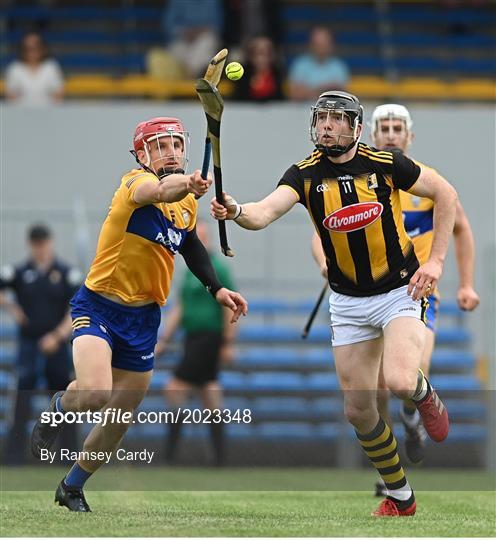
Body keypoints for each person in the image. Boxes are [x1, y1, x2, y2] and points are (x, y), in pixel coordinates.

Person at [211, 91, 458, 517]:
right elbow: (262, 213)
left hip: (399, 291)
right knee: (358, 409)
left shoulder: (385, 164)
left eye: (336, 119)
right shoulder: (303, 175)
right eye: (321, 118)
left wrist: (435, 261)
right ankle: (400, 497)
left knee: (399, 381)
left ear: (356, 128)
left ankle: (425, 396)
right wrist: (233, 209)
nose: (326, 126)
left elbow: (446, 194)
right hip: (348, 303)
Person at [29, 116, 248, 512]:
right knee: (95, 394)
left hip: (144, 319)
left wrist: (217, 288)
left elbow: (191, 248)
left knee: (119, 417)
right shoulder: (134, 185)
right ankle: (61, 406)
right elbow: (160, 189)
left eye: (176, 145)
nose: (171, 152)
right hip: (99, 306)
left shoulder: (185, 204)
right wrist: (189, 184)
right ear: (143, 154)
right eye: (160, 146)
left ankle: (72, 486)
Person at [368, 103, 480, 495]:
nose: (392, 134)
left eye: (399, 128)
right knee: (378, 388)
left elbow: (463, 229)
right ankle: (388, 472)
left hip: (419, 295)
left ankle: (413, 416)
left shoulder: (428, 183)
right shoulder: (359, 183)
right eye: (385, 127)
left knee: (411, 374)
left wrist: (465, 284)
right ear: (373, 135)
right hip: (372, 293)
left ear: (410, 136)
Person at [156, 220, 237, 466]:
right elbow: (180, 308)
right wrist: (164, 339)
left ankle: (170, 456)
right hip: (192, 338)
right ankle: (220, 459)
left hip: (209, 337)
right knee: (210, 394)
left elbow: (229, 306)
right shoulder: (190, 271)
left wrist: (227, 342)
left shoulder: (218, 269)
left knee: (173, 388)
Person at [0, 225, 80, 464]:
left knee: (64, 400)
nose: (40, 248)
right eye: (36, 244)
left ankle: (68, 455)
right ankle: (14, 457)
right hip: (29, 344)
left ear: (51, 242)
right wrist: (13, 309)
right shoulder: (19, 272)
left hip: (57, 347)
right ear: (30, 244)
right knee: (22, 399)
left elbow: (76, 309)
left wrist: (57, 336)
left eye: (43, 243)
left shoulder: (66, 273)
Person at [288, 26, 350, 102]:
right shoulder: (300, 64)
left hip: (331, 112)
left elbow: (343, 96)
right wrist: (326, 89)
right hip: (302, 111)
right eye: (317, 44)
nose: (320, 48)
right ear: (311, 44)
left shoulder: (339, 66)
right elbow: (295, 95)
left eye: (323, 44)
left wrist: (309, 91)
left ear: (331, 45)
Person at [5, 31, 64, 105]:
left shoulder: (51, 67)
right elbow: (10, 94)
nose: (31, 52)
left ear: (43, 48)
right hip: (20, 113)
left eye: (35, 48)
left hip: (48, 112)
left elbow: (58, 93)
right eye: (28, 48)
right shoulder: (15, 68)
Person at [231, 36, 284, 103]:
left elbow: (281, 102)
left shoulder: (279, 75)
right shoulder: (241, 76)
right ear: (251, 56)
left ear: (272, 56)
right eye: (258, 53)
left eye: (267, 54)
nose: (262, 59)